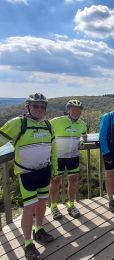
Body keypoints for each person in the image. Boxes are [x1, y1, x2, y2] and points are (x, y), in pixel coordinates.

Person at [0, 93, 55, 259]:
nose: (39, 109)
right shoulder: (18, 123)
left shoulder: (47, 125)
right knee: (29, 207)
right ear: (28, 107)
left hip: (45, 171)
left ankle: (38, 229)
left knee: (42, 203)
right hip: (27, 173)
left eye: (42, 106)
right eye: (35, 106)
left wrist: (55, 168)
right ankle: (28, 243)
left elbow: (53, 148)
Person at [49, 99, 87, 220]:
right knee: (55, 181)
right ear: (68, 110)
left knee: (73, 181)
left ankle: (71, 205)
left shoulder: (82, 123)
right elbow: (45, 129)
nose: (76, 112)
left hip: (73, 156)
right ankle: (53, 206)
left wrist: (82, 140)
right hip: (58, 157)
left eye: (78, 110)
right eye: (73, 109)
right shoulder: (57, 121)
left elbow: (84, 135)